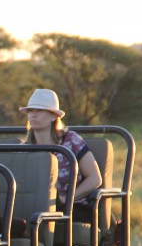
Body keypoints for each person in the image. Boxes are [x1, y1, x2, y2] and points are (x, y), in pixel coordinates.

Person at [20, 89, 102, 219]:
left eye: (39, 110)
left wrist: (68, 198)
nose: (33, 115)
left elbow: (95, 179)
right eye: (30, 111)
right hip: (36, 208)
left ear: (54, 116)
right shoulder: (23, 149)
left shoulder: (71, 140)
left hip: (72, 207)